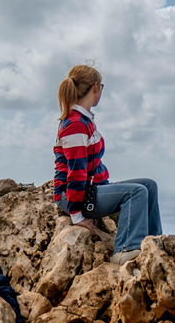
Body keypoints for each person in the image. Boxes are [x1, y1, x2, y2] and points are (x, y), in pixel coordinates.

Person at [53, 64, 163, 265]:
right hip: (74, 196)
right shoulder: (76, 125)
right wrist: (76, 214)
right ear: (95, 87)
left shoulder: (84, 120)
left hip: (93, 189)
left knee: (149, 185)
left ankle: (156, 242)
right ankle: (126, 250)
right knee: (136, 192)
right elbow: (76, 173)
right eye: (102, 86)